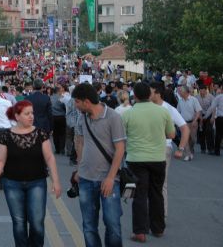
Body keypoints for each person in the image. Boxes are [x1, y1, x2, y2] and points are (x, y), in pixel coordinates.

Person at [0, 100, 61, 247]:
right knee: (19, 223)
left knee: (37, 222)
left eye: (32, 113)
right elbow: (0, 160)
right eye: (27, 114)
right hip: (12, 183)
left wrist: (56, 181)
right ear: (17, 116)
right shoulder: (6, 135)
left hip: (37, 183)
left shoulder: (40, 133)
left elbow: (49, 157)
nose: (31, 116)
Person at [72, 83, 126, 247]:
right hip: (86, 180)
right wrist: (79, 169)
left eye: (77, 102)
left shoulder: (113, 117)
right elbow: (80, 142)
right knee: (89, 226)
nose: (75, 105)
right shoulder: (83, 118)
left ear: (86, 102)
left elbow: (120, 149)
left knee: (112, 224)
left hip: (109, 180)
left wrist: (110, 178)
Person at [122, 82, 175, 243]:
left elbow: (121, 137)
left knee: (139, 196)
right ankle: (158, 228)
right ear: (150, 95)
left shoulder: (127, 114)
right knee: (156, 193)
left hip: (136, 159)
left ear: (135, 96)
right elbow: (171, 134)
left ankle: (140, 232)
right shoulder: (163, 112)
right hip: (158, 158)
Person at [150, 82, 189, 218]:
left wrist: (181, 148)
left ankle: (161, 215)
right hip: (145, 149)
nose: (148, 94)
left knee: (161, 184)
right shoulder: (145, 107)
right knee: (146, 184)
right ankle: (150, 214)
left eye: (151, 91)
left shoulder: (169, 109)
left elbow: (185, 128)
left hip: (163, 148)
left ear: (158, 93)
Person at [177, 85, 202, 161]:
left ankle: (191, 150)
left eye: (180, 91)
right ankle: (187, 154)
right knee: (186, 139)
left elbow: (198, 111)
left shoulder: (193, 100)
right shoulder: (180, 101)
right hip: (184, 123)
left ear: (185, 92)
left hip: (193, 122)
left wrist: (195, 121)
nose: (179, 92)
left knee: (193, 139)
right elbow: (178, 112)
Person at [196, 85, 215, 154]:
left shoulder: (211, 97)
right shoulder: (196, 97)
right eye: (200, 90)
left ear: (206, 90)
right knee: (201, 132)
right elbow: (196, 108)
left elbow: (213, 107)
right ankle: (203, 148)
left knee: (209, 130)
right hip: (200, 115)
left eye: (202, 90)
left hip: (209, 115)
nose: (201, 92)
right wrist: (200, 117)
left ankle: (211, 148)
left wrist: (213, 117)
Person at [50, 85, 67, 154]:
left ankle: (57, 149)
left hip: (53, 117)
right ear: (58, 91)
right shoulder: (62, 98)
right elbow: (65, 107)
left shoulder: (50, 98)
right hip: (62, 117)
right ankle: (62, 148)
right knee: (62, 133)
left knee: (55, 134)